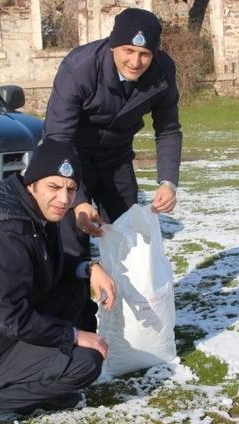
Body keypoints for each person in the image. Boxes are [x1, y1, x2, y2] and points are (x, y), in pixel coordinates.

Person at [0, 139, 116, 424]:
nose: (63, 198)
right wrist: (74, 335)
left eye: (71, 189)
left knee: (75, 287)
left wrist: (89, 268)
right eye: (54, 187)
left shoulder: (34, 212)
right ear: (32, 183)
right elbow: (11, 319)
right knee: (86, 363)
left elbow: (47, 265)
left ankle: (48, 388)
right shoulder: (4, 233)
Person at [43, 7, 182, 332]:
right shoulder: (79, 67)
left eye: (145, 53)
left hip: (117, 158)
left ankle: (130, 326)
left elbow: (168, 128)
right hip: (71, 160)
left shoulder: (162, 72)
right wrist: (77, 200)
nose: (136, 61)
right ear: (112, 46)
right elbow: (58, 138)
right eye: (128, 51)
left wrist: (168, 182)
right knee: (74, 244)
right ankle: (75, 327)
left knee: (128, 239)